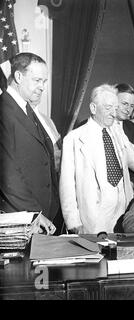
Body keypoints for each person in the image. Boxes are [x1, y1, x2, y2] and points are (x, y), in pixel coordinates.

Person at [59, 84, 134, 234]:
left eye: (115, 108)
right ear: (93, 108)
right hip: (94, 217)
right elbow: (67, 186)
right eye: (108, 108)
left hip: (123, 212)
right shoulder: (74, 139)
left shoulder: (117, 131)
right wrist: (73, 223)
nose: (113, 113)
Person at [0, 52, 58, 234]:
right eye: (37, 80)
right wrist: (35, 213)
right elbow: (7, 175)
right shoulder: (4, 109)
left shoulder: (26, 109)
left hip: (39, 217)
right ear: (18, 76)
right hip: (20, 218)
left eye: (44, 82)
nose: (42, 87)